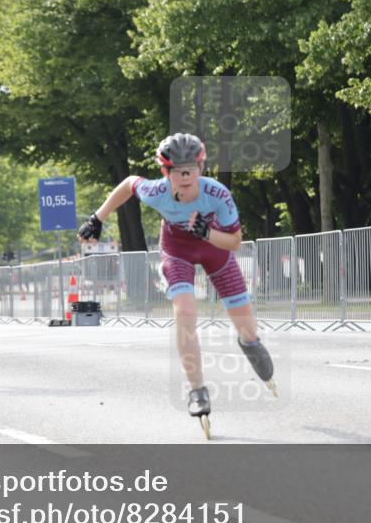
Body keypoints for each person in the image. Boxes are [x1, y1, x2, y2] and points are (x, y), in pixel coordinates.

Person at [78, 133, 275, 437]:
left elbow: (235, 243)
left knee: (247, 328)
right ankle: (197, 390)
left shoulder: (218, 194)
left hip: (216, 249)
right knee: (184, 310)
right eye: (176, 172)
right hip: (177, 250)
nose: (184, 178)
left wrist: (206, 233)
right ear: (164, 172)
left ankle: (249, 342)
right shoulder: (157, 191)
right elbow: (130, 183)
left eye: (191, 170)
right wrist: (97, 217)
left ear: (201, 167)